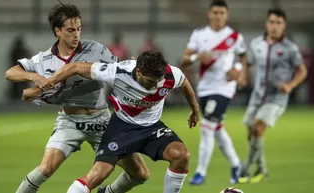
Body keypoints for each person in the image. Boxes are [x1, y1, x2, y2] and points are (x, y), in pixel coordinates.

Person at [4, 2, 149, 193]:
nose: (76, 34)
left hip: (102, 121)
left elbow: (120, 69)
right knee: (45, 168)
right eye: (71, 30)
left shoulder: (96, 50)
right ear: (57, 31)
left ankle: (108, 191)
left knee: (141, 174)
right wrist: (34, 77)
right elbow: (11, 73)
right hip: (70, 121)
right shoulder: (44, 60)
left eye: (79, 29)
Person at [25, 50, 200, 193]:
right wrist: (42, 87)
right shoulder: (118, 72)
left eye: (157, 82)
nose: (155, 86)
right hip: (122, 127)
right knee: (98, 175)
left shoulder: (170, 74)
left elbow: (184, 83)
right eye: (149, 82)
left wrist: (194, 108)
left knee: (181, 156)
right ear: (138, 72)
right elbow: (75, 67)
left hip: (152, 128)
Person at [180, 0, 247, 185]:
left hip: (225, 87)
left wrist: (238, 69)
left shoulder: (234, 36)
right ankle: (236, 165)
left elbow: (243, 56)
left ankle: (200, 172)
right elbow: (184, 59)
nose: (218, 16)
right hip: (204, 87)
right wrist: (196, 57)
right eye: (215, 12)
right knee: (217, 128)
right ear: (209, 14)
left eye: (222, 13)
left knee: (208, 124)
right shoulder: (199, 35)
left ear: (227, 15)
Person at [238, 8, 307, 183]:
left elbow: (302, 70)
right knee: (251, 132)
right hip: (257, 96)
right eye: (272, 22)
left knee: (258, 127)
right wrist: (243, 76)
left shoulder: (290, 48)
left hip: (276, 98)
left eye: (278, 23)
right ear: (266, 24)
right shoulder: (256, 44)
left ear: (284, 26)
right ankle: (262, 169)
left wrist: (291, 85)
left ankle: (245, 170)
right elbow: (248, 62)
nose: (274, 26)